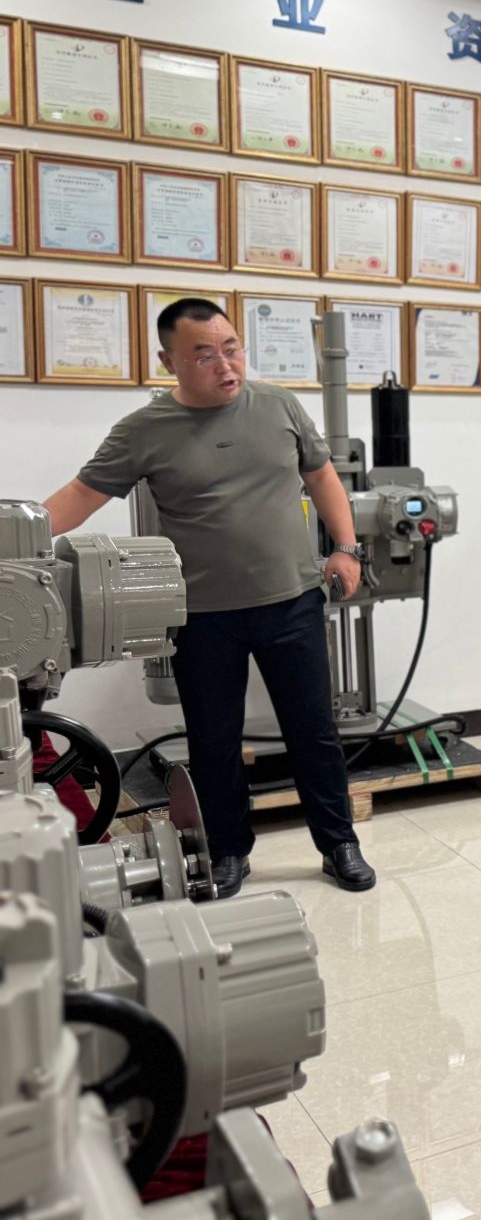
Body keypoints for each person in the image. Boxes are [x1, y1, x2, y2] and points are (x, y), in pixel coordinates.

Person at [41, 298, 374, 897]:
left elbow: (322, 474)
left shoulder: (279, 406)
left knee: (314, 732)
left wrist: (346, 548)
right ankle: (227, 852)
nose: (226, 365)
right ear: (169, 360)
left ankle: (338, 843)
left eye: (232, 349)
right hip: (202, 616)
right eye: (204, 355)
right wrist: (19, 535)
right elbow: (82, 494)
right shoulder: (144, 430)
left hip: (291, 602)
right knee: (214, 739)